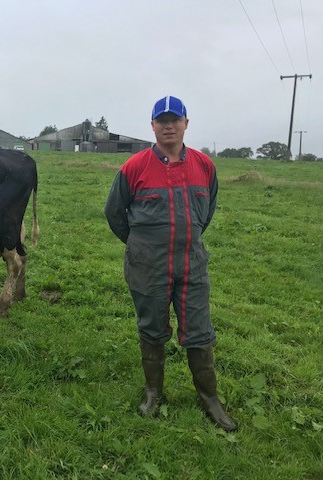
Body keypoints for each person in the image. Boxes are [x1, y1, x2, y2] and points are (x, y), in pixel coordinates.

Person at [104, 95, 237, 432]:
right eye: (161, 120)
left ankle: (210, 399)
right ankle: (153, 392)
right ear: (152, 126)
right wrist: (141, 245)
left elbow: (206, 213)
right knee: (151, 327)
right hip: (147, 266)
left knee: (199, 330)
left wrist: (186, 240)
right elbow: (114, 213)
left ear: (185, 124)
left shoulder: (205, 165)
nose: (168, 125)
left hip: (192, 264)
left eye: (174, 119)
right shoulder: (133, 167)